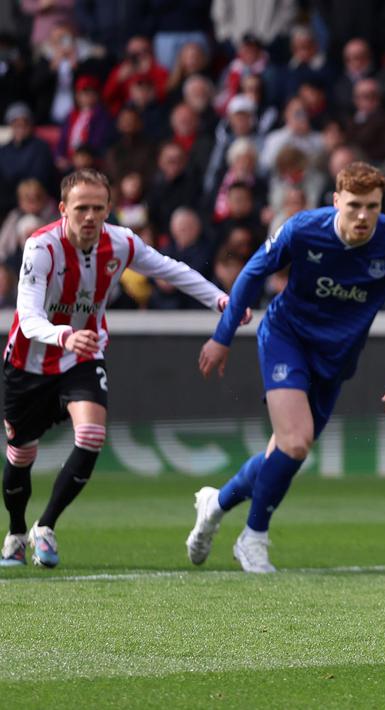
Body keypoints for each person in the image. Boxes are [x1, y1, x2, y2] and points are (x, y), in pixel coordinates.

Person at [187, 162, 385, 573]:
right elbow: (253, 273)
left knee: (285, 452)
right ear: (335, 202)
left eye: (373, 207)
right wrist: (222, 337)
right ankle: (253, 538)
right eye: (354, 206)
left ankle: (216, 503)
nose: (363, 216)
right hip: (285, 337)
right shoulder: (303, 229)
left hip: (336, 359)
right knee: (295, 443)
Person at [1, 169, 235, 568]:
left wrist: (221, 301)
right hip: (31, 360)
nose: (90, 217)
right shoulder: (41, 247)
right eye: (81, 208)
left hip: (83, 354)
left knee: (91, 434)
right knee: (21, 454)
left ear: (109, 209)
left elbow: (170, 269)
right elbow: (27, 315)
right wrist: (63, 335)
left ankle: (47, 526)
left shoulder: (121, 242)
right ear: (63, 210)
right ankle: (17, 531)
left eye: (98, 208)